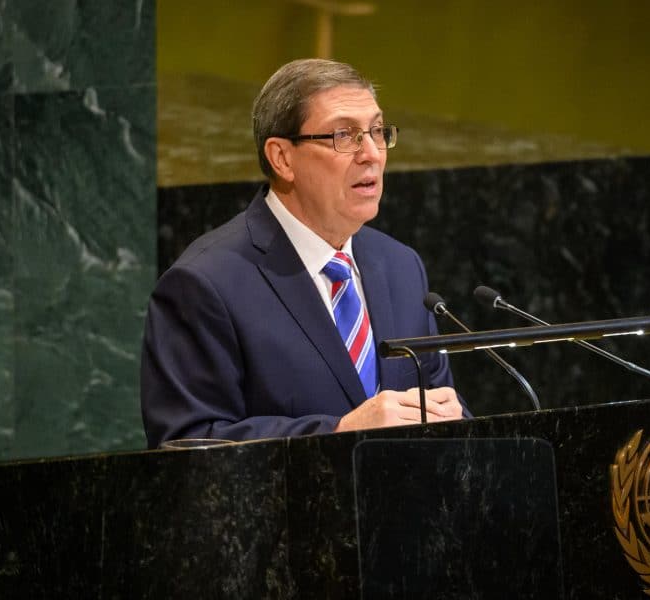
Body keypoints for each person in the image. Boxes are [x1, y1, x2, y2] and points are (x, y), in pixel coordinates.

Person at [140, 59, 468, 448]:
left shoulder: (400, 266)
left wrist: (453, 417)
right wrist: (339, 433)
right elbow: (188, 444)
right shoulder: (205, 285)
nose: (372, 154)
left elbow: (432, 396)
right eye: (344, 135)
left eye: (377, 132)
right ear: (282, 158)